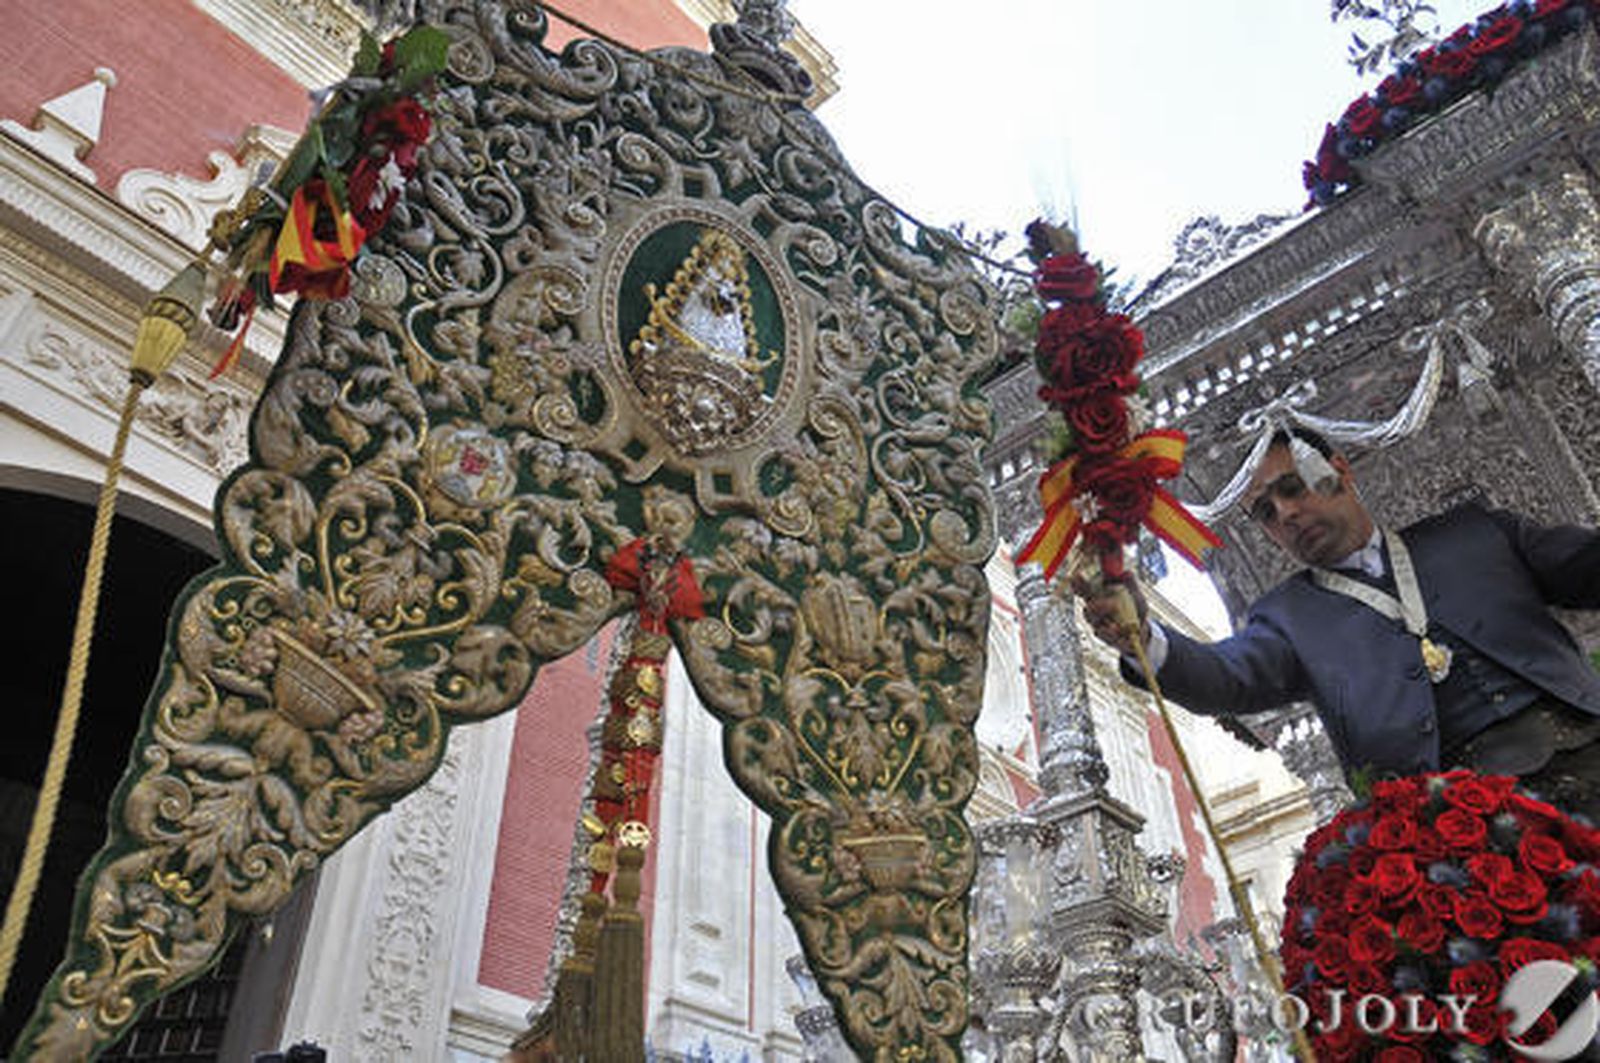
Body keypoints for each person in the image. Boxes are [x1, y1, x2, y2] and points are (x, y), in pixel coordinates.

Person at [1076, 427, 1600, 818]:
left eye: (1293, 487)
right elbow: (1225, 678)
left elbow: (1587, 567)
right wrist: (1141, 636)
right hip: (1448, 827)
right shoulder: (1285, 618)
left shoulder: (1476, 532)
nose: (1284, 513)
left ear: (1339, 470)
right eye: (1264, 511)